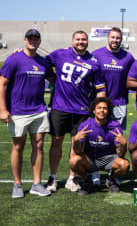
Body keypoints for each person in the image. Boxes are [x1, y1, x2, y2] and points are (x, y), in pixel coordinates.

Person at [0, 29, 55, 198]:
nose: (33, 41)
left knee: (39, 145)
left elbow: (53, 80)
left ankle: (37, 183)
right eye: (30, 38)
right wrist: (3, 109)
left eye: (36, 38)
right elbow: (1, 84)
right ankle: (17, 184)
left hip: (39, 111)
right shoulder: (14, 59)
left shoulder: (43, 62)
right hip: (18, 112)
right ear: (25, 40)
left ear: (39, 41)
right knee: (18, 146)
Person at [45, 31, 106, 192]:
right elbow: (40, 63)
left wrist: (101, 108)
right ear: (72, 41)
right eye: (78, 39)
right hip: (59, 107)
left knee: (76, 144)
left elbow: (100, 89)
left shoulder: (94, 62)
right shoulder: (60, 53)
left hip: (81, 110)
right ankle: (52, 178)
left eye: (83, 39)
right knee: (56, 142)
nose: (81, 42)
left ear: (87, 41)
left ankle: (71, 178)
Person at [91, 27, 135, 185]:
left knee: (116, 141)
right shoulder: (96, 54)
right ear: (108, 38)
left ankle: (112, 172)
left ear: (121, 40)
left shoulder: (128, 57)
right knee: (95, 138)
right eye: (113, 37)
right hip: (99, 105)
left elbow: (135, 74)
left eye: (118, 38)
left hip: (119, 104)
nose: (115, 40)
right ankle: (94, 172)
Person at [69, 97, 130, 195]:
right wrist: (76, 140)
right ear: (94, 110)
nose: (102, 110)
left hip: (109, 159)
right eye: (99, 108)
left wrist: (123, 144)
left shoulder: (114, 126)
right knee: (73, 161)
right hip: (91, 159)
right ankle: (87, 181)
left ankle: (111, 180)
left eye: (105, 108)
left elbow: (121, 154)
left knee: (125, 165)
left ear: (108, 111)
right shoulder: (86, 125)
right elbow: (78, 152)